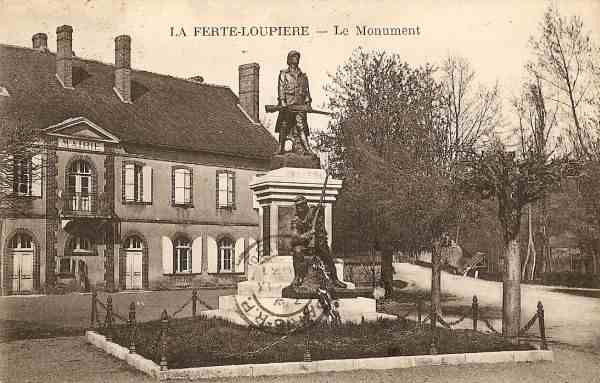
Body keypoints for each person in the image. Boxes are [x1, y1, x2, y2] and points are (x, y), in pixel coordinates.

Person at [290, 195, 347, 288]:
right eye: (297, 206)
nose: (299, 209)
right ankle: (298, 277)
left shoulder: (315, 211)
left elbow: (321, 231)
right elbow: (295, 238)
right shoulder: (296, 220)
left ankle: (334, 279)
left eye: (301, 205)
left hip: (318, 242)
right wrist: (308, 234)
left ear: (305, 205)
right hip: (304, 244)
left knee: (327, 254)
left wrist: (318, 238)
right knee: (297, 251)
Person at [275, 50, 314, 155]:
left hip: (300, 104)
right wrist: (282, 101)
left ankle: (307, 149)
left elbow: (306, 91)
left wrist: (308, 103)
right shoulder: (284, 74)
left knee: (301, 127)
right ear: (289, 59)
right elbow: (281, 88)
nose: (296, 59)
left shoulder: (303, 76)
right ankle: (280, 147)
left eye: (297, 57)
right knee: (284, 125)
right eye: (293, 57)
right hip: (288, 104)